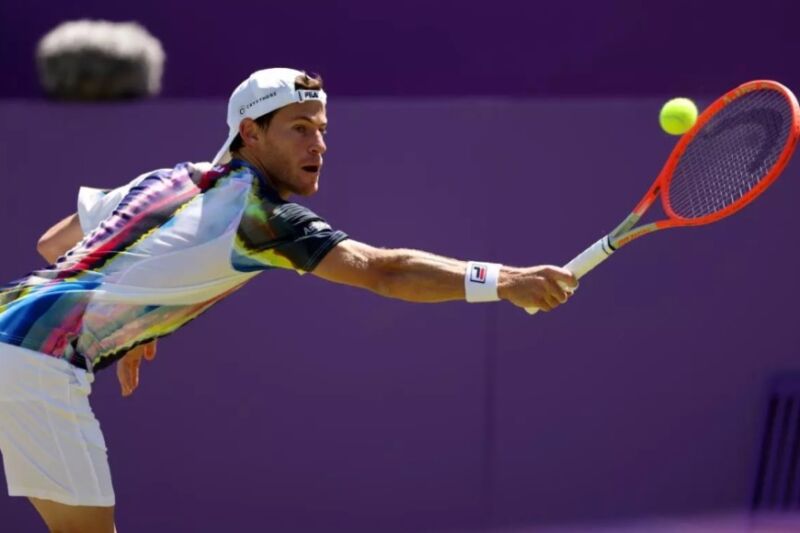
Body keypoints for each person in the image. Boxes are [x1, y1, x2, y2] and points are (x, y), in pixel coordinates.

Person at [0, 67, 578, 533]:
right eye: (300, 128)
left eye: (322, 129)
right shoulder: (264, 216)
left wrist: (129, 320)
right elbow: (382, 270)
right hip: (36, 363)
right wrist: (504, 279)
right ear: (250, 134)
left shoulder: (167, 177)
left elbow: (55, 244)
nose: (319, 144)